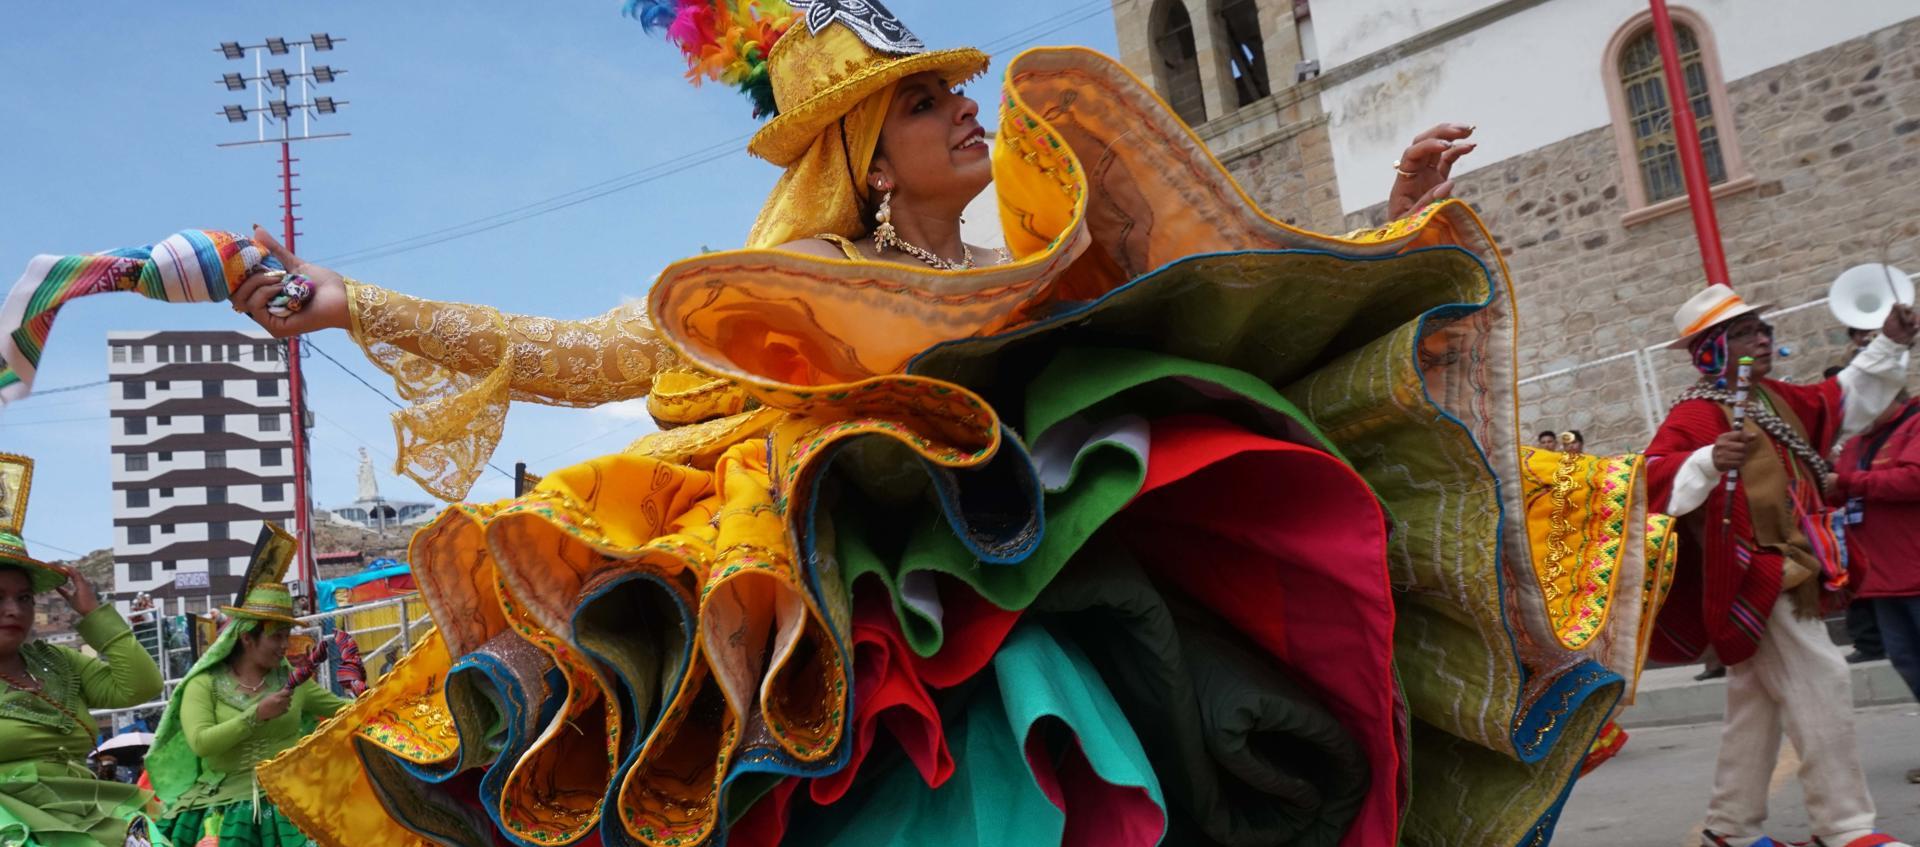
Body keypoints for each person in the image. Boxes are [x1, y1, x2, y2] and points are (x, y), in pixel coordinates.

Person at [26, 3, 1680, 846]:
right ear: (868, 152)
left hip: (1057, 622)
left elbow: (1232, 299)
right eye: (930, 100)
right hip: (872, 661)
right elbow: (562, 350)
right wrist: (350, 301)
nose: (968, 110)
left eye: (961, 92)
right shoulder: (776, 298)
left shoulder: (1041, 267)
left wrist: (1385, 220)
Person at [1643, 284, 1917, 847]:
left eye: (1761, 329)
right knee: (1822, 677)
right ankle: (1844, 826)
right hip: (1754, 573)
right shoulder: (1695, 414)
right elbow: (1650, 477)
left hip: (1791, 563)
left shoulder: (1775, 399)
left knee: (1755, 701)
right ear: (1711, 350)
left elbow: (1841, 399)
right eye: (1745, 333)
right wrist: (1706, 459)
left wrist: (1889, 344)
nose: (1763, 340)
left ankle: (1730, 827)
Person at [0, 453, 166, 847]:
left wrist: (95, 616)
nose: (14, 610)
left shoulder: (56, 662)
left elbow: (141, 686)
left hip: (85, 809)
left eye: (24, 597)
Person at [146, 578, 351, 847]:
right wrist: (256, 716)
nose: (284, 645)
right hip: (224, 809)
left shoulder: (294, 682)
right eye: (276, 636)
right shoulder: (203, 684)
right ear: (246, 638)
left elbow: (348, 711)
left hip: (293, 800)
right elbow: (201, 742)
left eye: (287, 635)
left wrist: (397, 691)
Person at [1829, 388, 1920, 784]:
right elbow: (1841, 490)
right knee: (1908, 664)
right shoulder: (1856, 443)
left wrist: (1847, 481)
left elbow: (1913, 479)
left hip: (1914, 571)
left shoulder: (1915, 425)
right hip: (1883, 579)